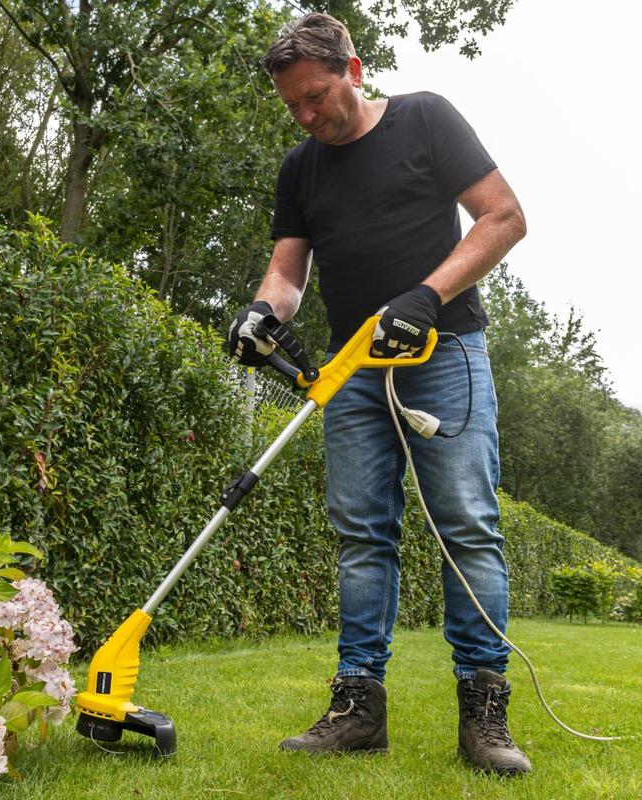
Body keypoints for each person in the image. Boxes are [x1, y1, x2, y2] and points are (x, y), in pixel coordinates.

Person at [228, 13, 531, 776]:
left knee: (467, 524)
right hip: (353, 367)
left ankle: (484, 712)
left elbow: (504, 217)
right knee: (361, 534)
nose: (305, 116)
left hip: (445, 349)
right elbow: (288, 273)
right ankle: (358, 708)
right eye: (291, 105)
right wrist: (261, 313)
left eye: (315, 97)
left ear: (354, 71)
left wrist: (427, 296)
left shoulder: (425, 118)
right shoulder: (300, 169)